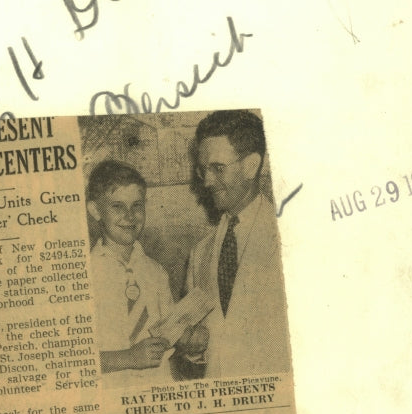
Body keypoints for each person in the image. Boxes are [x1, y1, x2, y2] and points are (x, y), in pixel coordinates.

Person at [176, 109, 291, 378]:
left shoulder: (291, 240)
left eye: (217, 168)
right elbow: (200, 343)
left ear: (251, 166)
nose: (206, 181)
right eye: (202, 170)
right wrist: (193, 348)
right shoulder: (200, 253)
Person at [86, 159, 172, 376]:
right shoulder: (85, 274)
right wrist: (128, 358)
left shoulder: (156, 272)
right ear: (96, 210)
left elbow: (170, 338)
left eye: (137, 206)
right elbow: (70, 360)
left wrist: (187, 338)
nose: (129, 216)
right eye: (117, 206)